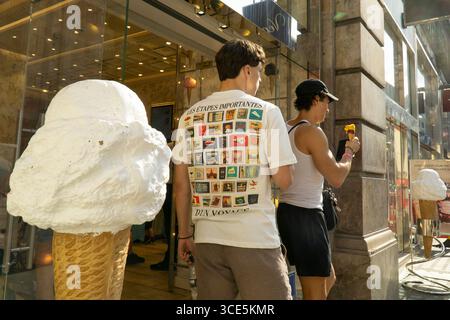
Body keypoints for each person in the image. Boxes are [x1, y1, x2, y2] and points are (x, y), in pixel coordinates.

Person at [172, 39, 297, 299]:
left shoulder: (188, 117)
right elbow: (284, 180)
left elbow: (181, 185)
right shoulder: (267, 112)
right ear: (248, 70)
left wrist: (184, 233)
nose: (259, 81)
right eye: (259, 73)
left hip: (207, 240)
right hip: (254, 238)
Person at [276, 79, 360, 300]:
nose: (328, 107)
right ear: (315, 99)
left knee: (328, 277)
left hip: (286, 213)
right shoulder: (312, 133)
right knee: (315, 294)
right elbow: (337, 176)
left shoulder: (285, 127)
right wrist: (349, 152)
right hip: (307, 217)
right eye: (326, 101)